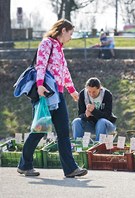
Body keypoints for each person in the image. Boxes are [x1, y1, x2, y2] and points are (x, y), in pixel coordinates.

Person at [17, 19, 88, 178]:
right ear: (63, 30)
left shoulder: (59, 48)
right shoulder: (47, 43)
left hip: (58, 94)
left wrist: (72, 90)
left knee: (63, 131)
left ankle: (70, 169)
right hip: (47, 93)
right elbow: (40, 65)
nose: (71, 37)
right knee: (40, 130)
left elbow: (64, 71)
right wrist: (40, 84)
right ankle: (24, 165)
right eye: (70, 33)